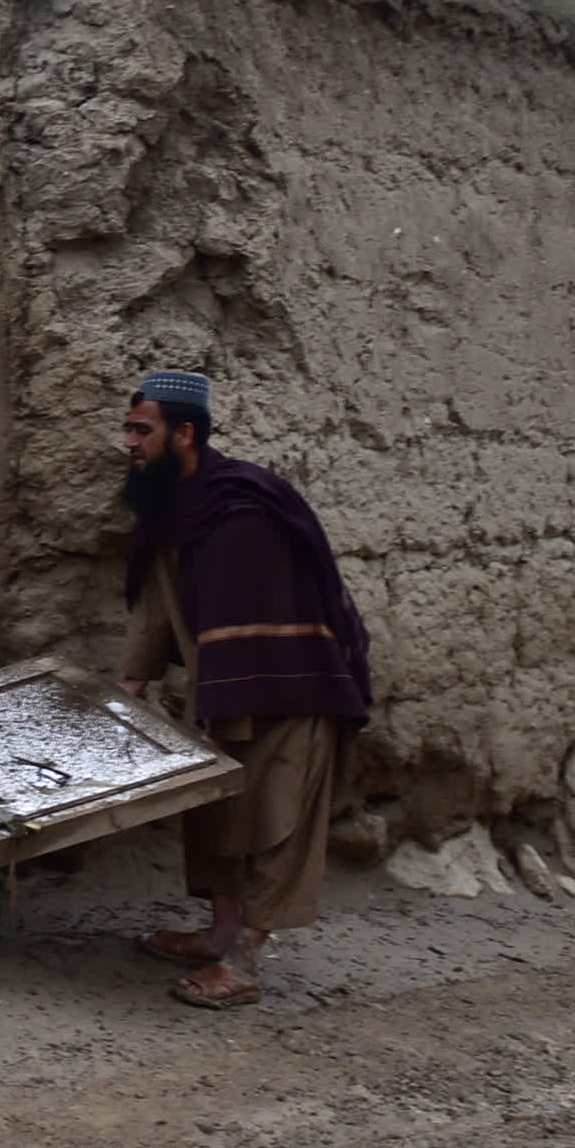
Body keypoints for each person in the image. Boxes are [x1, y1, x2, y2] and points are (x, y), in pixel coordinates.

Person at [117, 368, 372, 1009]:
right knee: (217, 814)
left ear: (184, 434)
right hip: (226, 690)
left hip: (289, 688)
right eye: (128, 428)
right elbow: (159, 602)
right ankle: (219, 934)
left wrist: (219, 702)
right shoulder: (172, 509)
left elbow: (244, 614)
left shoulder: (240, 508)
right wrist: (131, 684)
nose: (129, 442)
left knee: (276, 820)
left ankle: (246, 959)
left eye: (140, 430)